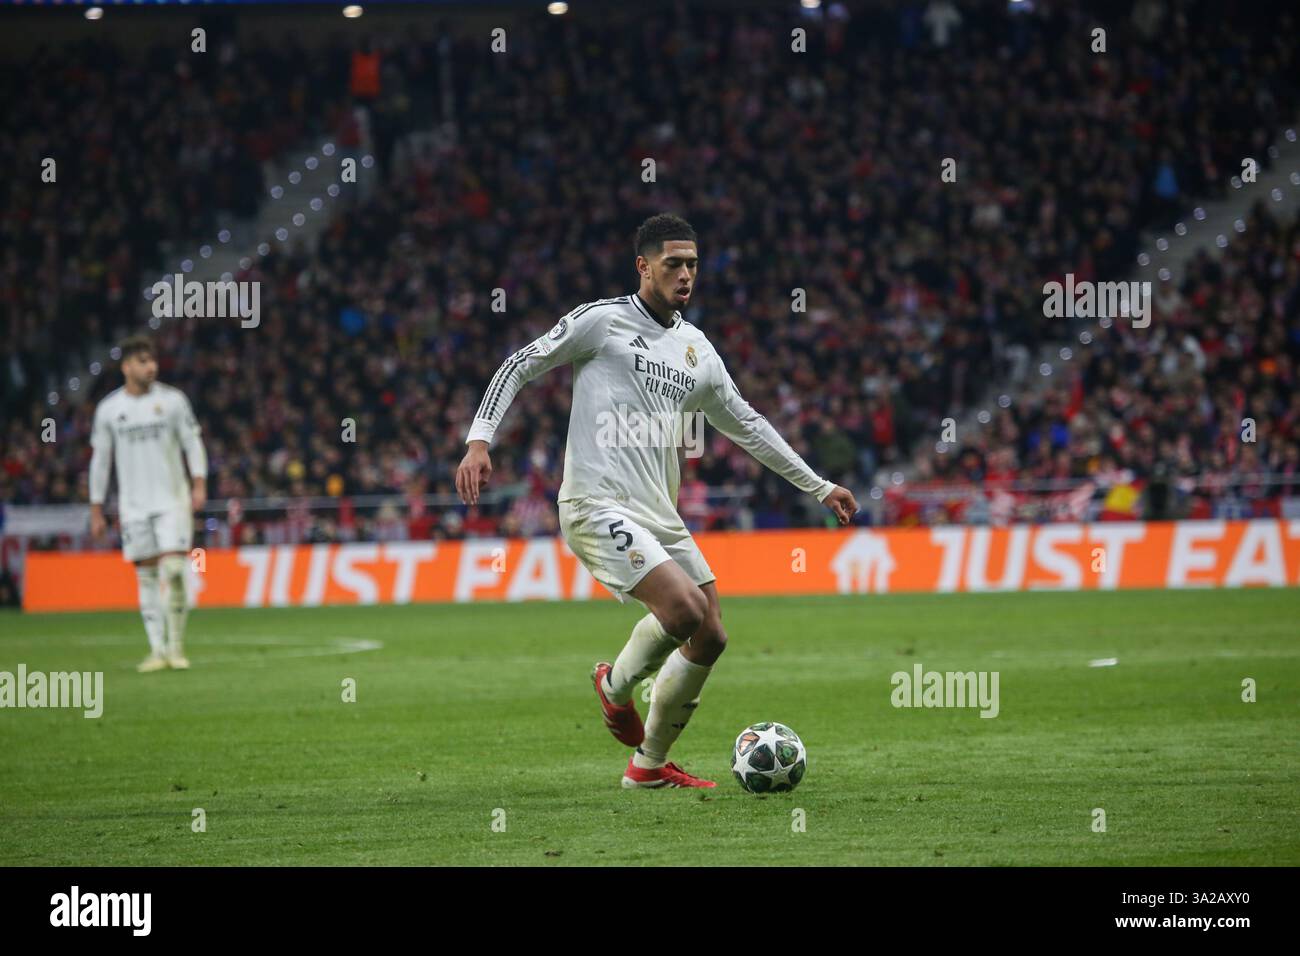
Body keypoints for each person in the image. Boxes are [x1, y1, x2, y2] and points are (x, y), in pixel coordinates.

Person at [456, 214, 858, 788]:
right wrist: (479, 440)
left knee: (711, 633)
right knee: (684, 611)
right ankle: (613, 687)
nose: (686, 273)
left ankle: (646, 767)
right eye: (673, 263)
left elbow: (747, 423)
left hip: (659, 514)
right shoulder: (602, 322)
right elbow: (521, 364)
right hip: (597, 504)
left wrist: (819, 485)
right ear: (643, 267)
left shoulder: (696, 348)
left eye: (693, 263)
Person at [89, 335, 208, 672]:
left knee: (174, 570)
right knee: (146, 577)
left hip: (173, 500)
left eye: (152, 359)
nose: (151, 366)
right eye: (142, 360)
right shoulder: (110, 410)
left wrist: (199, 483)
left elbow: (192, 443)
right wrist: (96, 508)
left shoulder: (173, 401)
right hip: (133, 506)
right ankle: (157, 650)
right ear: (126, 366)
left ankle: (176, 647)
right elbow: (101, 462)